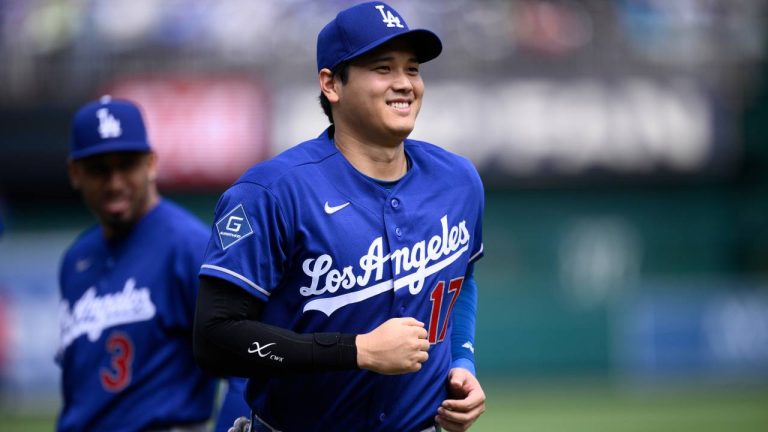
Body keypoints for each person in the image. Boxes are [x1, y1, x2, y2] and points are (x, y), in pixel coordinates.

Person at [194, 2, 487, 431]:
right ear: (331, 84)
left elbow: (461, 280)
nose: (405, 83)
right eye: (383, 68)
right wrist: (356, 351)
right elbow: (215, 338)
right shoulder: (271, 192)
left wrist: (462, 360)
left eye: (412, 69)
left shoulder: (458, 181)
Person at [57, 96, 249, 431]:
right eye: (99, 169)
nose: (115, 183)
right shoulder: (76, 260)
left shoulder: (188, 246)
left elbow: (245, 364)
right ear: (75, 173)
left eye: (127, 165)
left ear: (151, 163)